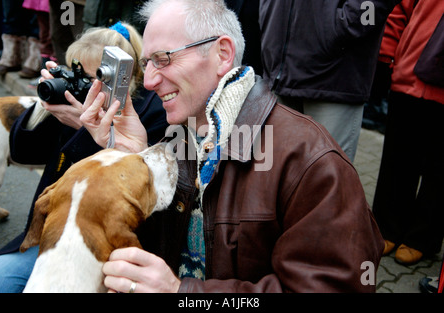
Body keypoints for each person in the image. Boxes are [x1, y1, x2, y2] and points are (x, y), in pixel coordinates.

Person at [80, 0, 383, 292]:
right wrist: (135, 161)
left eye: (163, 59)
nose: (147, 81)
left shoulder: (311, 160)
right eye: (147, 64)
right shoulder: (178, 139)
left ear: (223, 54)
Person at [0, 21, 168, 293]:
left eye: (89, 78)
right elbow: (23, 151)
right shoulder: (74, 102)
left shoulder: (153, 113)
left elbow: (143, 197)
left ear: (120, 79)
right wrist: (46, 108)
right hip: (53, 233)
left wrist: (88, 131)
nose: (78, 85)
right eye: (74, 72)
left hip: (104, 241)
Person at [258, 0, 401, 162]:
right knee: (276, 176)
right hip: (279, 67)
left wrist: (345, 24)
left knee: (324, 177)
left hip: (334, 77)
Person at [372, 0, 444, 265]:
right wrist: (386, 56)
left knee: (439, 170)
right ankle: (387, 226)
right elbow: (399, 11)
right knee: (398, 159)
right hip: (409, 77)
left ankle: (421, 238)